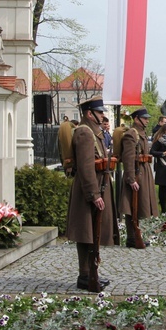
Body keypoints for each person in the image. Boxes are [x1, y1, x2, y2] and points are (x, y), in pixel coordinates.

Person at [65, 95, 119, 291]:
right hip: (89, 189)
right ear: (89, 113)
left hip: (97, 186)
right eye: (99, 112)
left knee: (91, 232)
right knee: (86, 233)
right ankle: (86, 275)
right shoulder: (84, 133)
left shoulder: (92, 132)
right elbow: (86, 167)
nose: (102, 116)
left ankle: (89, 273)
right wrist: (94, 195)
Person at [119, 107, 158, 248]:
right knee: (132, 207)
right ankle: (132, 237)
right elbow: (128, 158)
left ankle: (135, 236)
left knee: (138, 206)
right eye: (145, 118)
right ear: (136, 119)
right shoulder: (132, 134)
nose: (147, 120)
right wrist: (131, 179)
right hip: (136, 174)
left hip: (143, 171)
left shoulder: (140, 132)